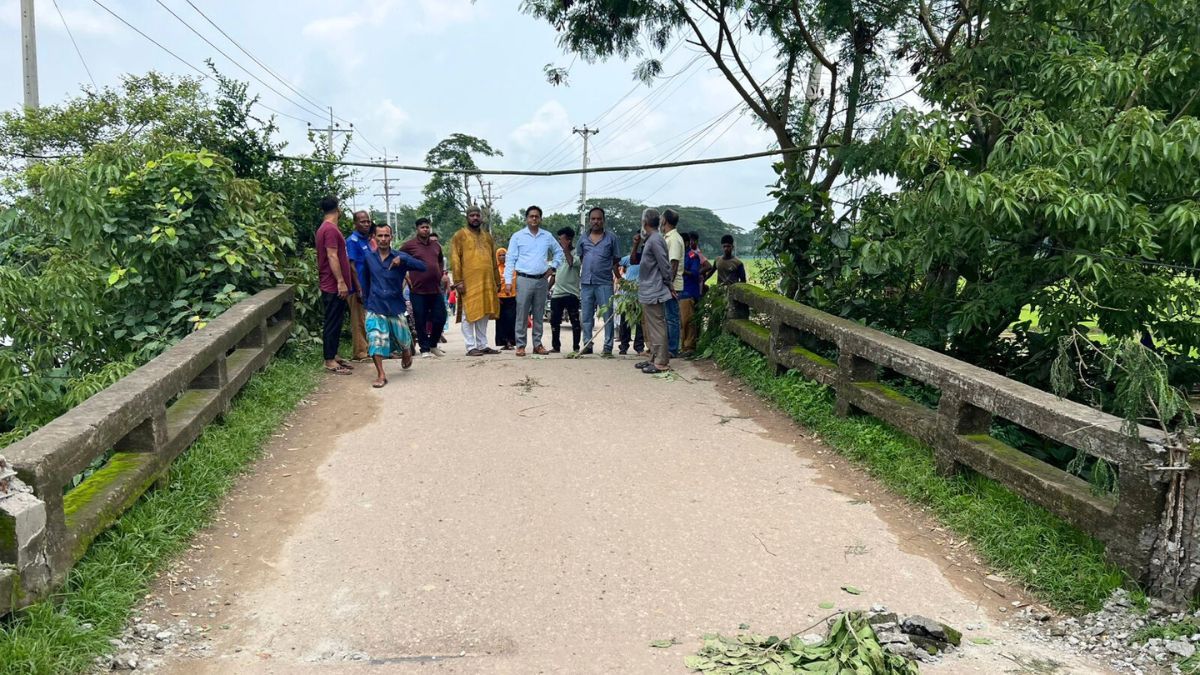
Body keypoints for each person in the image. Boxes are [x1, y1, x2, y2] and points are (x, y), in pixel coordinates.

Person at [361, 224, 426, 387]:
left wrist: (403, 259)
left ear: (391, 237)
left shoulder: (400, 257)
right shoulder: (369, 258)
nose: (383, 239)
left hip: (395, 306)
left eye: (386, 236)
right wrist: (366, 302)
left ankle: (406, 351)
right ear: (374, 237)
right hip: (375, 305)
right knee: (375, 339)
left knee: (403, 339)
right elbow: (365, 282)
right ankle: (381, 375)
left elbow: (423, 266)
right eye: (380, 236)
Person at [504, 205, 564, 357]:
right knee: (522, 313)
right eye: (531, 216)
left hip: (542, 279)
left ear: (541, 218)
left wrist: (553, 268)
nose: (534, 219)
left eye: (537, 216)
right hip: (523, 279)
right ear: (526, 218)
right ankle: (520, 345)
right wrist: (508, 281)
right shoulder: (518, 236)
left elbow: (559, 252)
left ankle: (537, 344)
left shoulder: (547, 236)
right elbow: (510, 259)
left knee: (539, 314)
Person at [449, 206, 502, 356]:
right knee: (469, 314)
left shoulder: (487, 237)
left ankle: (482, 344)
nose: (475, 218)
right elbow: (455, 259)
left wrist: (497, 281)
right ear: (467, 217)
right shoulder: (460, 235)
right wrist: (458, 281)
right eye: (472, 215)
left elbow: (493, 260)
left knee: (484, 313)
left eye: (477, 215)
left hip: (487, 281)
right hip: (468, 282)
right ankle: (470, 346)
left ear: (481, 217)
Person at [315, 196, 355, 375]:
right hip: (332, 284)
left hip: (334, 284)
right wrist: (340, 281)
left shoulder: (326, 228)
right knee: (332, 321)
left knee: (337, 320)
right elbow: (332, 256)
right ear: (338, 209)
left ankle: (334, 354)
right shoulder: (329, 230)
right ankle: (329, 360)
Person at [630, 208, 673, 374]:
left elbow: (664, 265)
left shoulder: (655, 240)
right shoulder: (651, 239)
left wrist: (669, 284)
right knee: (652, 326)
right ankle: (655, 357)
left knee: (657, 326)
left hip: (655, 289)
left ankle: (661, 361)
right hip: (649, 289)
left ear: (645, 222)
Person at [577, 206, 622, 356]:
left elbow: (616, 259)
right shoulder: (583, 238)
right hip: (586, 283)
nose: (596, 221)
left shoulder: (611, 238)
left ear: (603, 221)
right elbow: (581, 257)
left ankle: (608, 347)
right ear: (589, 221)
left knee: (607, 315)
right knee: (587, 316)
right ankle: (587, 344)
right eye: (593, 219)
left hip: (604, 283)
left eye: (599, 219)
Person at [400, 217, 447, 358]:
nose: (425, 229)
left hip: (435, 289)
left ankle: (433, 345)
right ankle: (424, 349)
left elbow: (439, 261)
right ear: (417, 229)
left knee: (441, 317)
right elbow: (399, 259)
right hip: (418, 290)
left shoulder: (436, 245)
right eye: (422, 227)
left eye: (427, 227)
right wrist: (405, 275)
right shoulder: (409, 245)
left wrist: (440, 274)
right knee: (420, 319)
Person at [345, 211, 373, 361]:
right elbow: (352, 266)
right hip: (356, 288)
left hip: (367, 287)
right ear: (355, 223)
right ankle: (360, 352)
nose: (366, 224)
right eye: (362, 221)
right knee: (358, 320)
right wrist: (359, 289)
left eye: (368, 221)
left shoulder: (366, 241)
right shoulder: (352, 241)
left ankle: (367, 349)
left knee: (366, 319)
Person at [549, 227, 582, 353]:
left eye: (561, 239)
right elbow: (554, 273)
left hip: (571, 294)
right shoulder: (558, 255)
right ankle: (556, 346)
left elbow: (571, 263)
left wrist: (566, 249)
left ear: (569, 240)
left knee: (574, 321)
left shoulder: (577, 254)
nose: (559, 242)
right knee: (554, 321)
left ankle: (576, 347)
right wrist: (547, 288)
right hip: (557, 294)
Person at [679, 232, 710, 356]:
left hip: (688, 291)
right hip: (679, 292)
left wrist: (681, 271)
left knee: (688, 320)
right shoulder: (677, 256)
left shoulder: (692, 256)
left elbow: (695, 273)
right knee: (682, 321)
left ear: (685, 243)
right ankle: (683, 346)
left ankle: (689, 347)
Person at [661, 208, 685, 357]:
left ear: (665, 220)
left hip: (673, 285)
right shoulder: (668, 237)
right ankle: (669, 346)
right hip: (669, 284)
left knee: (671, 318)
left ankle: (672, 349)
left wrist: (670, 285)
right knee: (668, 317)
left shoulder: (674, 239)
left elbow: (673, 264)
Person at [616, 254, 644, 356]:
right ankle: (623, 346)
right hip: (628, 297)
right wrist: (620, 279)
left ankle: (639, 347)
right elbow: (615, 264)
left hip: (642, 297)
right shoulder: (627, 259)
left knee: (640, 323)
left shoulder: (647, 259)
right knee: (625, 322)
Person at [495, 248, 518, 349]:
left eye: (504, 255)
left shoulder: (512, 268)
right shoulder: (495, 269)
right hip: (499, 298)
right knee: (500, 321)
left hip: (511, 297)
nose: (502, 257)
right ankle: (503, 342)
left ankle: (511, 341)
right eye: (500, 255)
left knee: (511, 320)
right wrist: (496, 296)